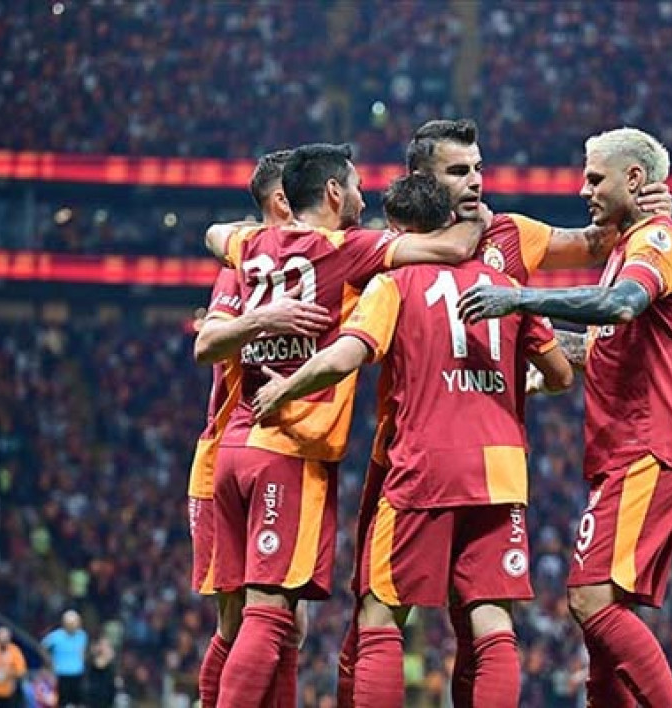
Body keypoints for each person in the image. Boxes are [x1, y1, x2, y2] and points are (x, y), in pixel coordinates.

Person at [336, 117, 672, 708]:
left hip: (425, 459)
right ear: (422, 180)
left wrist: (648, 207)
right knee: (480, 617)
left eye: (478, 169)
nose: (474, 181)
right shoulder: (396, 242)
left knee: (391, 611)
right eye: (457, 171)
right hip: (462, 456)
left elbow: (597, 241)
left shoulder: (509, 234)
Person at [251, 175, 573, 708]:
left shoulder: (394, 282)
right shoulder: (505, 284)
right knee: (494, 622)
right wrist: (523, 382)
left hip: (425, 464)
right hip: (502, 470)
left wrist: (286, 386)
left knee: (381, 614)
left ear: (400, 231)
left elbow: (347, 355)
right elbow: (560, 374)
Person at [203, 142, 489, 707]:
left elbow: (215, 234)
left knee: (252, 622)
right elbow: (453, 247)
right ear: (334, 192)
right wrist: (479, 215)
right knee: (269, 612)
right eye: (356, 186)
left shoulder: (250, 244)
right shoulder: (344, 248)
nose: (364, 198)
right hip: (288, 448)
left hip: (233, 446)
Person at [458, 127, 672, 707]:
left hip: (653, 444)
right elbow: (600, 342)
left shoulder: (660, 240)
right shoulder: (625, 248)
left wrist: (519, 298)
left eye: (595, 178)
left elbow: (619, 306)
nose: (583, 189)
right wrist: (537, 358)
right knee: (601, 618)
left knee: (591, 599)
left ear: (634, 179)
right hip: (626, 449)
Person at [191, 150, 330, 708]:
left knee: (288, 624)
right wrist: (263, 318)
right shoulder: (242, 267)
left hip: (281, 449)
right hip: (232, 447)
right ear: (282, 202)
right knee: (240, 620)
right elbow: (206, 343)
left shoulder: (310, 260)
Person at [41, 611, 87, 708]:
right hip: (61, 673)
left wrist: (82, 661)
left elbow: (82, 650)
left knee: (78, 702)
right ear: (64, 623)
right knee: (62, 702)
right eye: (70, 623)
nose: (73, 625)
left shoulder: (82, 635)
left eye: (75, 622)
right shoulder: (56, 636)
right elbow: (42, 648)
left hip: (78, 673)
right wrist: (49, 661)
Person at [83, 640, 116, 708]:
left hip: (106, 701)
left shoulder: (112, 669)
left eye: (106, 646)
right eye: (101, 645)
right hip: (92, 701)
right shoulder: (89, 665)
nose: (102, 648)